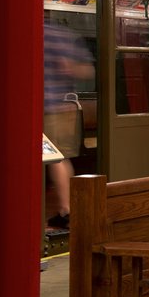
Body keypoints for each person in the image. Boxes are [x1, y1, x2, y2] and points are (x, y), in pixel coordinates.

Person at [43, 21, 94, 229]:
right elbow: (88, 70)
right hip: (63, 107)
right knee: (59, 159)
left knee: (55, 159)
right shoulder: (65, 34)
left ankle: (66, 210)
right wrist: (70, 67)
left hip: (48, 109)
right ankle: (66, 210)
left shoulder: (44, 33)